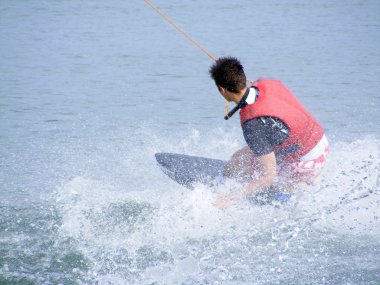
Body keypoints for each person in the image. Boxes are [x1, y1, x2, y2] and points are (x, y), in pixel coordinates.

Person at [209, 57, 329, 207]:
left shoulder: (252, 124)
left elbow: (268, 177)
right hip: (322, 142)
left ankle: (297, 190)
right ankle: (305, 180)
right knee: (238, 158)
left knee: (264, 179)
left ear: (222, 90)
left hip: (307, 161)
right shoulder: (266, 83)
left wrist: (230, 198)